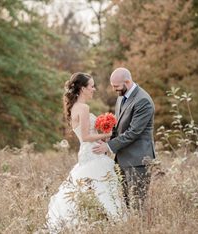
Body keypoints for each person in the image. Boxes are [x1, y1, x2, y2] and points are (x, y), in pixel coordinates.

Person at [46, 73, 122, 233]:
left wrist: (103, 133)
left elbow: (85, 135)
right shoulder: (84, 108)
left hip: (86, 153)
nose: (94, 89)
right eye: (91, 86)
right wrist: (108, 135)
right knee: (103, 189)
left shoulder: (74, 108)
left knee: (88, 189)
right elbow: (87, 137)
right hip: (93, 154)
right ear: (82, 88)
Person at [92, 67, 155, 210]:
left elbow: (133, 132)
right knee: (127, 203)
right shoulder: (121, 98)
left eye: (116, 86)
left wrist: (109, 147)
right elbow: (119, 126)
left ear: (127, 82)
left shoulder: (143, 101)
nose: (114, 90)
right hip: (123, 159)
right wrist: (108, 139)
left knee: (137, 204)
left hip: (138, 161)